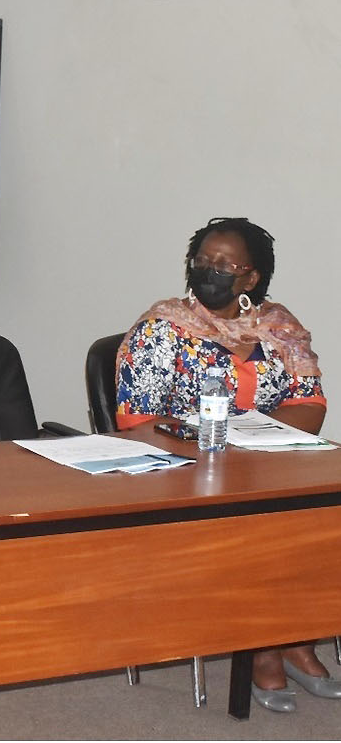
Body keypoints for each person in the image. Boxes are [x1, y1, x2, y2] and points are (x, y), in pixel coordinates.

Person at [115, 217, 336, 713]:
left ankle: (295, 636)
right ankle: (265, 648)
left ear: (251, 279)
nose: (208, 271)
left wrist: (241, 437)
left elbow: (312, 406)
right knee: (266, 527)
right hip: (186, 477)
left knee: (316, 519)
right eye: (201, 262)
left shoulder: (280, 328)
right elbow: (138, 422)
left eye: (223, 264)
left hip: (270, 469)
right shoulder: (162, 328)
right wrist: (235, 439)